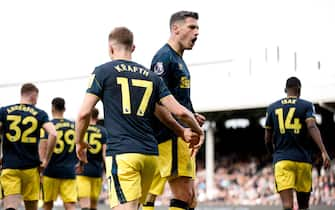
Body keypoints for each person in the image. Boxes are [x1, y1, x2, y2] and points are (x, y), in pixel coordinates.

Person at [75, 26, 204, 210]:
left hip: (123, 153)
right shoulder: (152, 77)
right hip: (150, 156)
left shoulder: (103, 72)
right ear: (133, 48)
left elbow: (83, 114)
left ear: (110, 48)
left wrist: (79, 143)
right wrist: (192, 130)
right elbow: (177, 111)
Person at [144, 11, 205, 210]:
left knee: (190, 198)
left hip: (180, 135)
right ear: (175, 29)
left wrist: (192, 115)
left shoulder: (179, 60)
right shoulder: (164, 58)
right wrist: (181, 128)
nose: (197, 33)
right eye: (192, 27)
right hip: (170, 136)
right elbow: (156, 104)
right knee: (183, 195)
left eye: (198, 28)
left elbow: (176, 99)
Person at [264, 76, 331, 210]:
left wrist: (274, 155)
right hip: (303, 160)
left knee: (287, 206)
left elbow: (267, 139)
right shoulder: (306, 105)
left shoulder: (272, 108)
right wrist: (323, 151)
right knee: (303, 207)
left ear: (285, 90)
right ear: (299, 90)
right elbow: (312, 127)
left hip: (282, 161)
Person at [0, 83, 57, 210]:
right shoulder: (39, 114)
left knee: (10, 205)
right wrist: (46, 160)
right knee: (31, 207)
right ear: (33, 95)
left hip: (10, 166)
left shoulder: (4, 111)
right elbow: (53, 133)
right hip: (31, 168)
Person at [39, 97, 77, 210]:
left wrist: (41, 165)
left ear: (52, 108)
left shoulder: (48, 125)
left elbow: (43, 147)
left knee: (47, 204)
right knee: (70, 204)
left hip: (50, 170)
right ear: (64, 108)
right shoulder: (73, 126)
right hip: (69, 170)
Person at [76, 107, 108, 210]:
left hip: (83, 171)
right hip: (97, 171)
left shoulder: (82, 130)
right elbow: (105, 154)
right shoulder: (103, 131)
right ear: (97, 117)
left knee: (85, 204)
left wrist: (80, 164)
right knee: (94, 205)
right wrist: (107, 172)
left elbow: (82, 150)